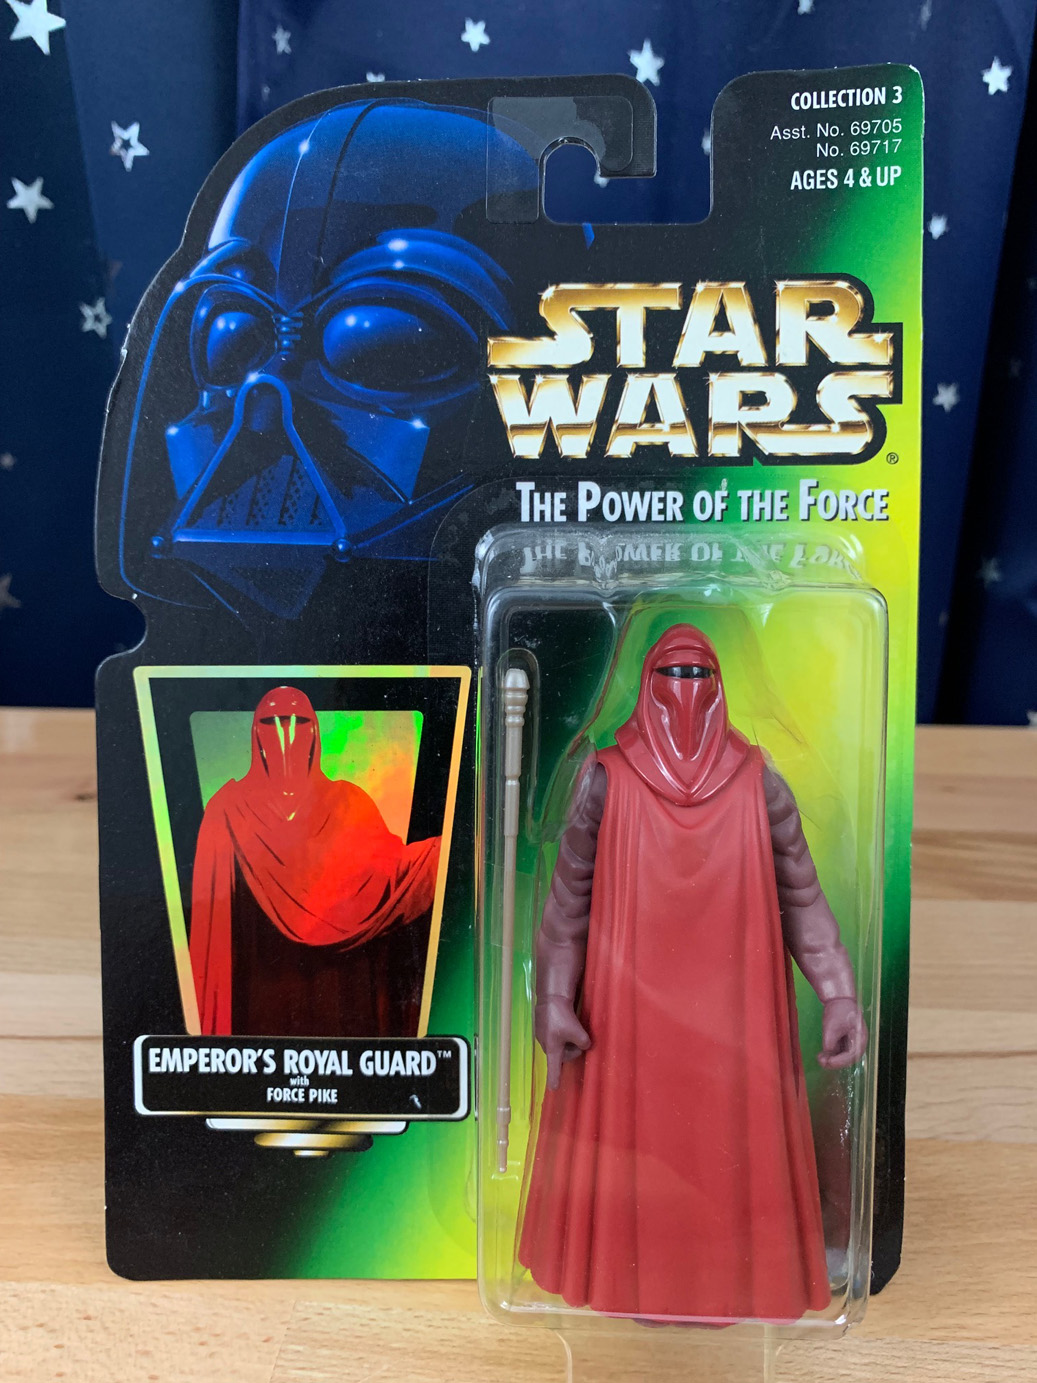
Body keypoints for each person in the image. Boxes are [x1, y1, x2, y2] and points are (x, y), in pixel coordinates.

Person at [519, 625, 867, 1322]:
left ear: (721, 686)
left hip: (736, 1024)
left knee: (732, 1150)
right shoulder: (603, 779)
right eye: (671, 677)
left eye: (698, 676)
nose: (685, 694)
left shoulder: (759, 780)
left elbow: (802, 896)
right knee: (627, 1154)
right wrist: (553, 995)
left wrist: (838, 993)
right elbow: (567, 905)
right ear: (646, 683)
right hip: (624, 1025)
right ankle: (626, 1283)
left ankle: (734, 1285)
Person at [189, 685, 440, 1037]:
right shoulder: (227, 809)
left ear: (314, 733)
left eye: (299, 721)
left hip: (341, 1001)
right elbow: (212, 931)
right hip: (263, 1002)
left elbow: (389, 878)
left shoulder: (349, 802)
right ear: (256, 735)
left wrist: (440, 853)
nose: (286, 734)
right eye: (273, 722)